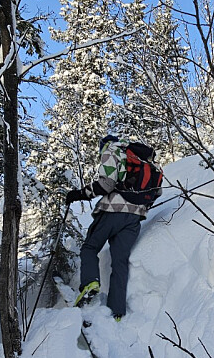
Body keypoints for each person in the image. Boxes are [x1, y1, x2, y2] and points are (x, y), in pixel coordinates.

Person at [65, 135, 160, 320]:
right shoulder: (145, 161)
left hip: (113, 211)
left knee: (90, 247)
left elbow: (106, 185)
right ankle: (117, 311)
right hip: (135, 217)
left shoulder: (111, 151)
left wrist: (78, 194)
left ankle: (90, 284)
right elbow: (157, 191)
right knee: (120, 262)